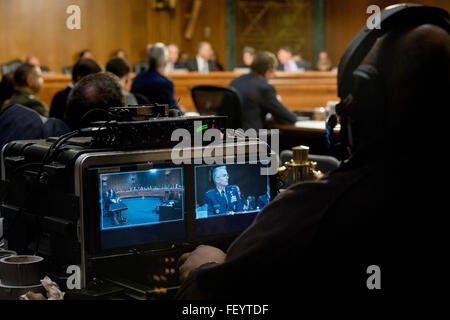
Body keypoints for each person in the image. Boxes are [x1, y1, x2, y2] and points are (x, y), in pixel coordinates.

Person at [176, 15, 450, 300]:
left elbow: (207, 301)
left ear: (366, 104)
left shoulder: (309, 210)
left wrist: (204, 269)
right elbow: (287, 117)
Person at [0, 72, 70, 150]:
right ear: (29, 81)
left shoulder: (11, 101)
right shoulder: (33, 103)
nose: (41, 79)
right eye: (38, 76)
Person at [229, 51, 297, 129]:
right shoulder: (264, 88)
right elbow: (289, 118)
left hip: (230, 135)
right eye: (272, 72)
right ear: (268, 72)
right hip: (253, 137)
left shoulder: (235, 82)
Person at [131, 43, 181, 110]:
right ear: (165, 62)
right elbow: (174, 110)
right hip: (161, 119)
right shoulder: (165, 83)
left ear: (148, 60)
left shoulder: (137, 79)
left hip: (142, 118)